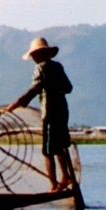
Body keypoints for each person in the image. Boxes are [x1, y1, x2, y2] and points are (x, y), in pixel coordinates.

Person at [7, 36, 78, 192]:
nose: (33, 58)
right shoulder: (58, 67)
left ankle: (54, 185)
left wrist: (17, 104)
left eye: (34, 55)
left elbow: (35, 89)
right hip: (62, 111)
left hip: (50, 113)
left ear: (39, 54)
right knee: (60, 146)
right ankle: (67, 176)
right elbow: (68, 88)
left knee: (47, 151)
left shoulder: (40, 68)